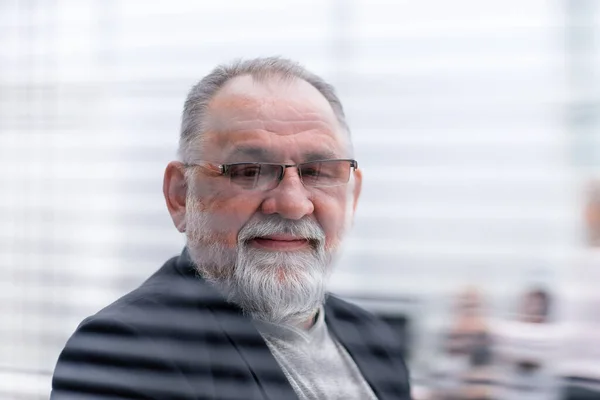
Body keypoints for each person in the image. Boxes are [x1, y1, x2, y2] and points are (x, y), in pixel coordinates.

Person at [50, 57, 411, 400]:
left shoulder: (374, 339)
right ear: (180, 195)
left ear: (353, 196)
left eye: (317, 172)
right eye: (248, 171)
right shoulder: (124, 351)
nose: (292, 204)